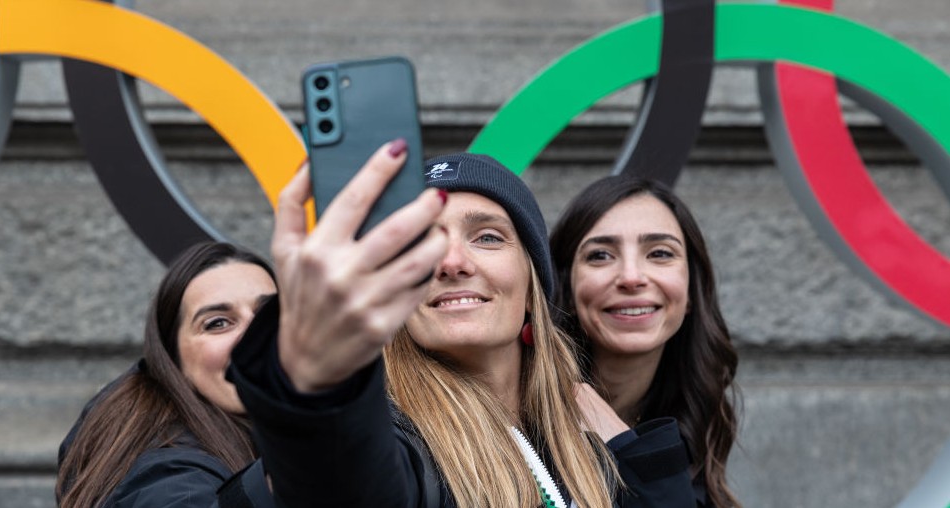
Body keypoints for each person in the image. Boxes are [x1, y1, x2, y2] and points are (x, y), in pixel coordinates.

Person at [228, 144, 695, 507]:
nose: (451, 262)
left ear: (532, 289)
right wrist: (317, 383)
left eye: (487, 237)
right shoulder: (396, 445)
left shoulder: (588, 445)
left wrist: (641, 463)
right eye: (422, 244)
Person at [549, 176, 741, 507]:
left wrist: (623, 441)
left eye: (660, 253)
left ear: (691, 290)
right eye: (600, 256)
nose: (632, 277)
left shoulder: (693, 422)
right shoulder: (521, 422)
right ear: (566, 289)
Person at [56, 242, 277, 507]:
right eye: (217, 323)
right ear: (173, 360)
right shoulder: (165, 464)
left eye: (269, 314)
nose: (255, 336)